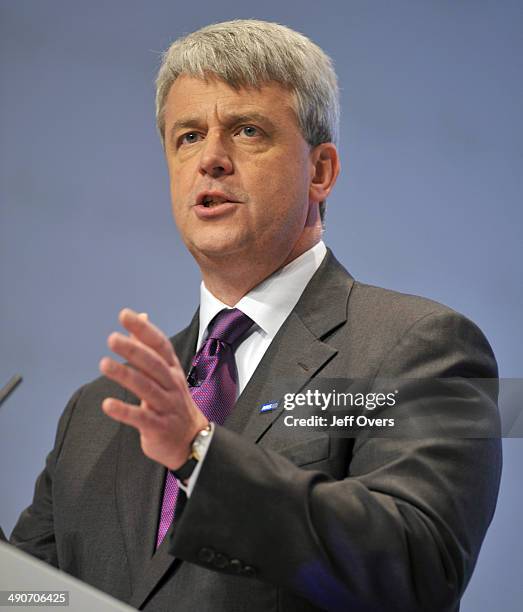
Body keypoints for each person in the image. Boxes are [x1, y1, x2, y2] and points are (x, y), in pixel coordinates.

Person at [10, 19, 501, 612]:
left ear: (320, 171)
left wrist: (198, 453)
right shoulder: (97, 411)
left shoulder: (419, 348)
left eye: (246, 130)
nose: (211, 159)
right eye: (187, 136)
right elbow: (32, 597)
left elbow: (418, 569)